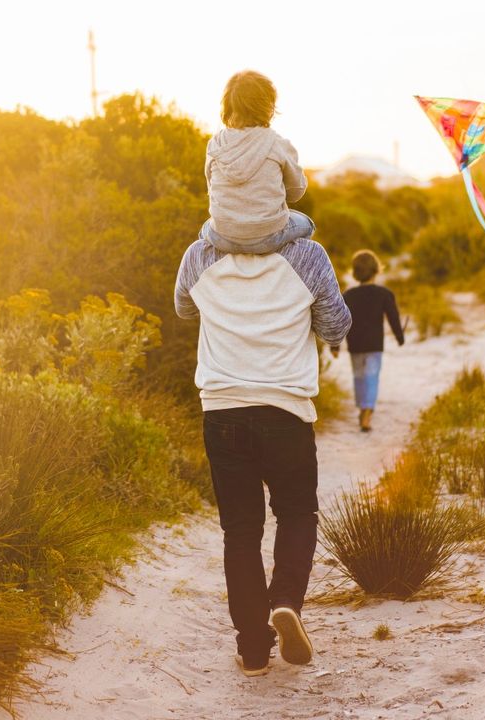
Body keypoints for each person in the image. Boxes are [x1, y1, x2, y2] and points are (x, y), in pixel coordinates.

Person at [174, 72, 351, 677]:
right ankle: (285, 603)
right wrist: (309, 322)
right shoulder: (306, 254)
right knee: (298, 515)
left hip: (222, 411)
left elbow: (182, 308)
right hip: (285, 409)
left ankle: (253, 647)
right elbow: (335, 323)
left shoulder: (200, 255)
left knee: (239, 531)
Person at [200, 70, 315, 255]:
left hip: (222, 237)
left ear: (228, 104)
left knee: (206, 228)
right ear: (268, 105)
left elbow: (211, 189)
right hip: (268, 238)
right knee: (307, 224)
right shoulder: (277, 143)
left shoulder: (215, 144)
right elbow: (296, 193)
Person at [329, 250, 405, 432]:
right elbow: (393, 317)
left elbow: (339, 320)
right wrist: (400, 337)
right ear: (376, 270)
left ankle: (362, 407)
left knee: (359, 376)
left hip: (355, 345)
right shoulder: (384, 294)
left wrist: (335, 345)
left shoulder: (348, 295)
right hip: (374, 345)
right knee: (371, 377)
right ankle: (367, 412)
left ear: (355, 272)